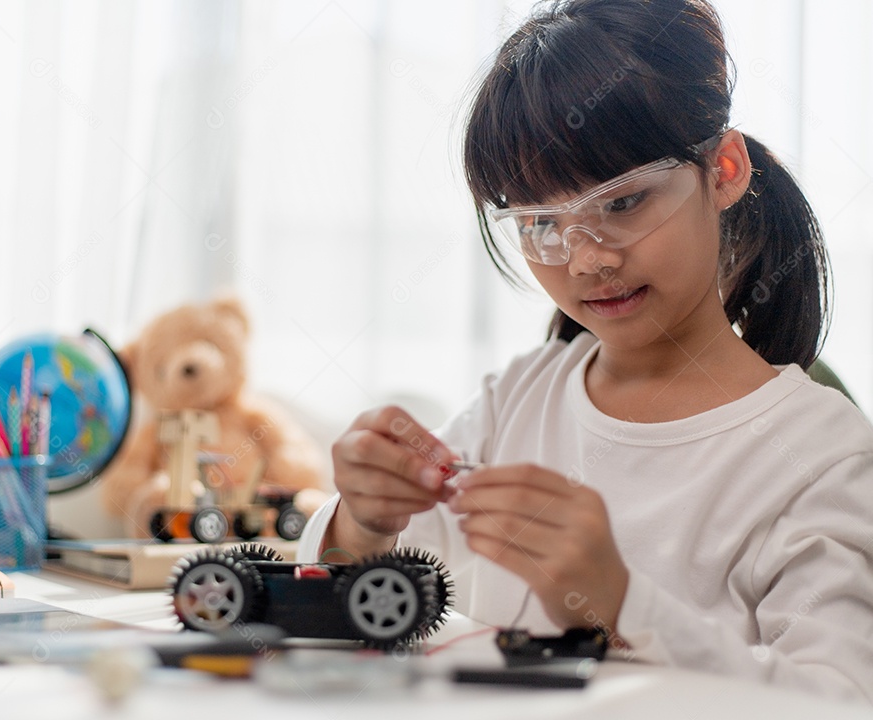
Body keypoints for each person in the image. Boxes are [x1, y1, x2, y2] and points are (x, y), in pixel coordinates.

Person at [298, 0, 873, 704]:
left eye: (624, 203)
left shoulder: (819, 453)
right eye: (542, 222)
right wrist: (363, 521)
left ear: (723, 169)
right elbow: (345, 606)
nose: (587, 260)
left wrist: (623, 605)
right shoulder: (517, 400)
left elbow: (838, 700)